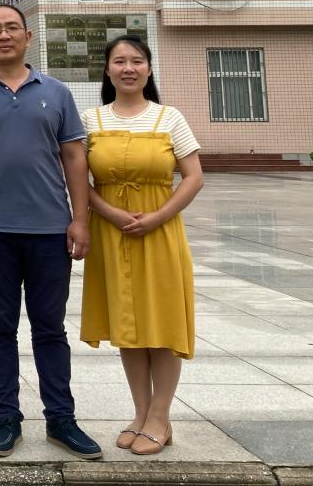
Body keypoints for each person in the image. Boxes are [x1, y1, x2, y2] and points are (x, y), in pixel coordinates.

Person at [0, 4, 102, 461]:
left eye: (11, 28)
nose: (4, 35)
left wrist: (80, 218)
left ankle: (61, 418)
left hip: (50, 229)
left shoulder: (56, 93)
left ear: (28, 36)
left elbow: (74, 157)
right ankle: (6, 417)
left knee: (50, 328)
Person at [80, 36, 203, 456]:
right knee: (129, 325)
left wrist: (156, 217)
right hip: (111, 233)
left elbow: (193, 177)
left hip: (160, 231)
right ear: (107, 70)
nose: (128, 68)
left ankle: (160, 417)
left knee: (162, 323)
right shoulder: (91, 120)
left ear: (149, 69)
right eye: (119, 61)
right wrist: (110, 213)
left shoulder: (169, 118)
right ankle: (140, 413)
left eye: (137, 61)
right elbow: (77, 180)